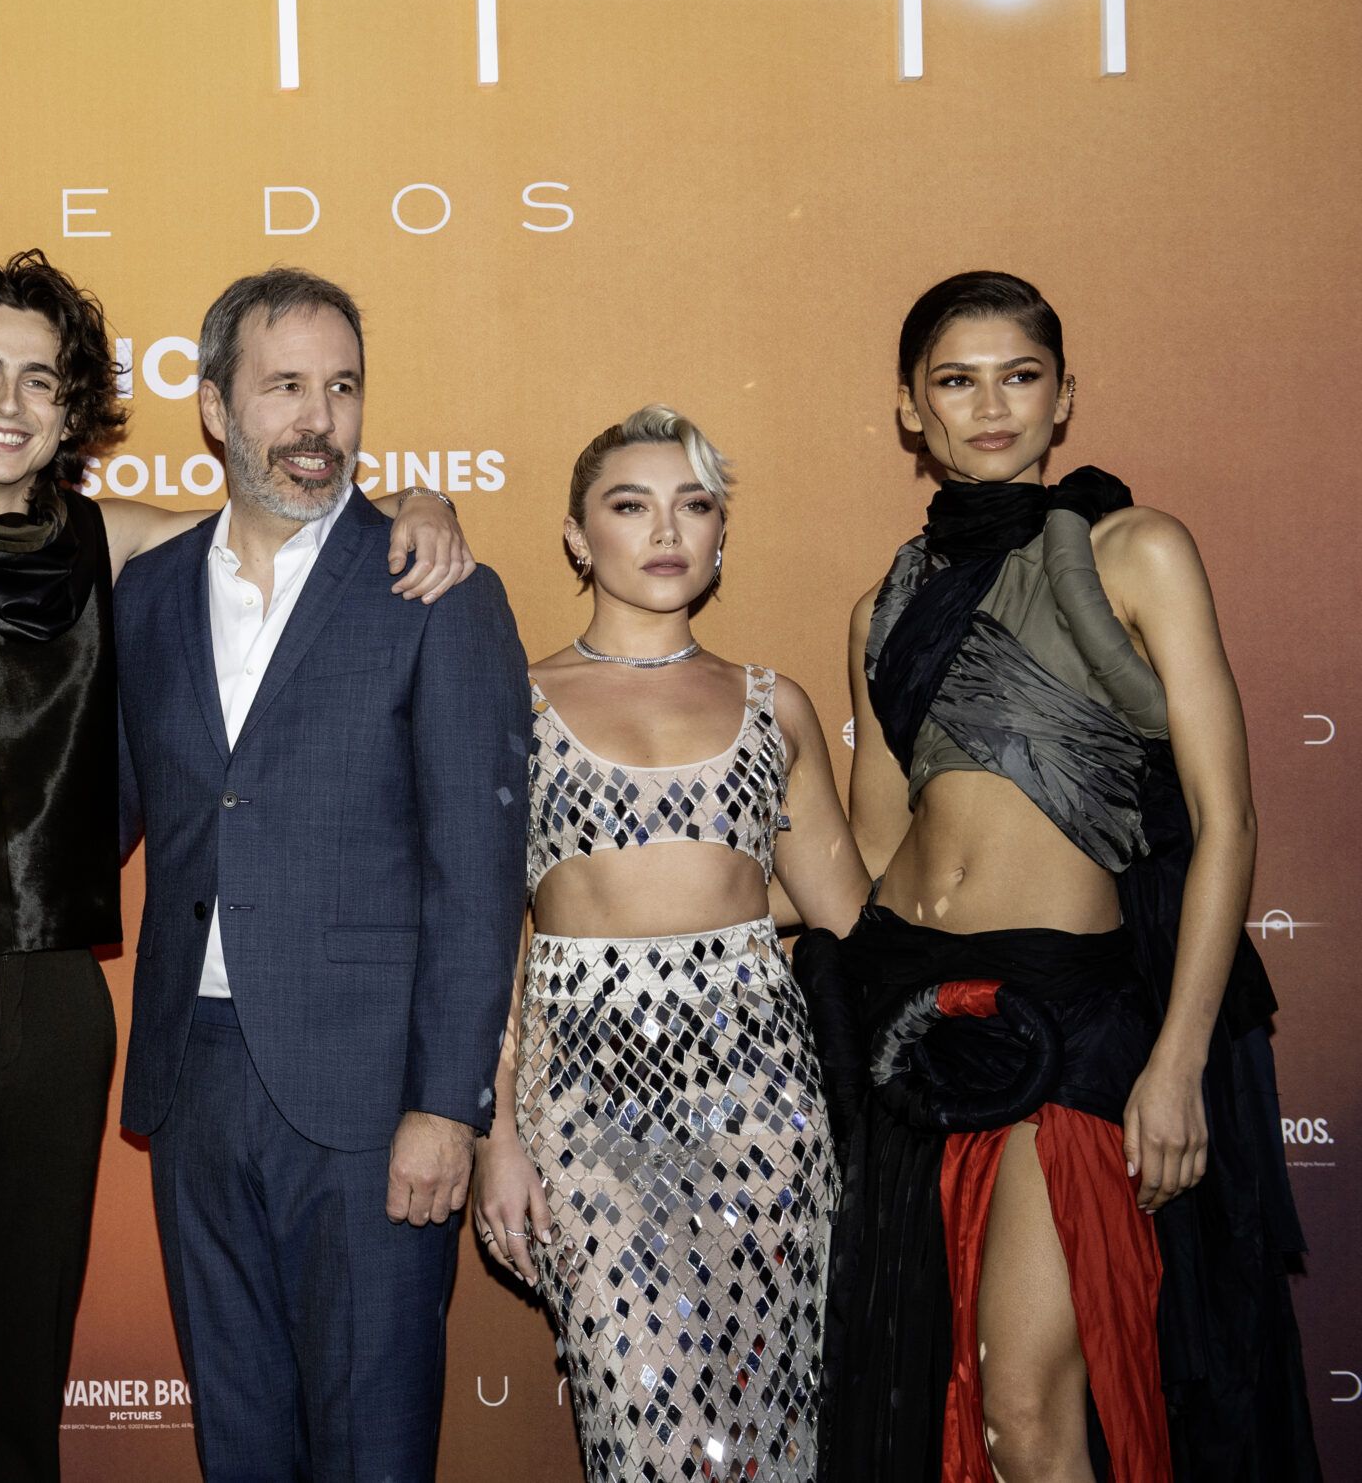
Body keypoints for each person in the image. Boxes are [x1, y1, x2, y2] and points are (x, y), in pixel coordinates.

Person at [0, 249, 472, 1482]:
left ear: (72, 412)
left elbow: (285, 520)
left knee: (20, 1396)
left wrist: (419, 500)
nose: (10, 402)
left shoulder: (115, 551)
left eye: (41, 380)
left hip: (57, 1007)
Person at [827, 271, 1319, 1481]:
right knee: (934, 1402)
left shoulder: (1136, 551)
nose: (991, 406)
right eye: (956, 381)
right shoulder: (881, 604)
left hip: (1067, 1018)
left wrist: (1177, 1061)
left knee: (1028, 1408)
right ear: (911, 409)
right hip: (912, 1022)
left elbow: (1225, 820)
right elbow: (872, 852)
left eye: (1020, 376)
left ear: (1063, 398)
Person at [113, 267, 524, 1480]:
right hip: (193, 1075)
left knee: (370, 1445)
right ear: (214, 406)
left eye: (341, 389)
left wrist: (446, 1107)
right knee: (237, 1439)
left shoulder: (432, 589)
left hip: (371, 1095)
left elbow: (476, 876)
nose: (317, 420)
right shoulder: (149, 594)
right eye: (285, 386)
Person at [468, 406, 863, 1482]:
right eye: (630, 504)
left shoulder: (773, 705)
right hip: (584, 1108)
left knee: (777, 1430)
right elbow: (480, 942)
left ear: (721, 533)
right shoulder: (512, 704)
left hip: (765, 1102)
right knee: (640, 1431)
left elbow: (844, 914)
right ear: (575, 534)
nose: (665, 530)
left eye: (693, 504)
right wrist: (495, 1135)